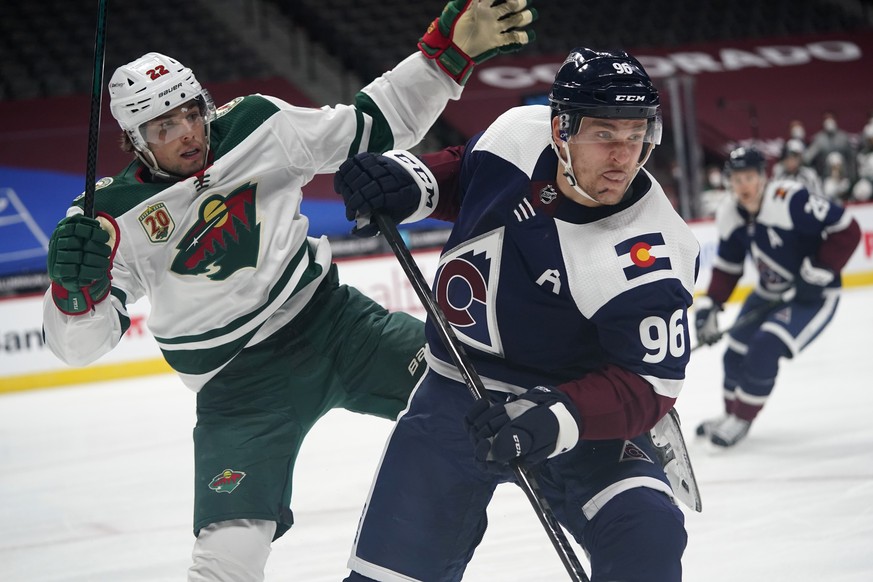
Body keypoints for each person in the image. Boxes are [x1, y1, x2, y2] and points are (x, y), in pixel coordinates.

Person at [41, 2, 537, 580]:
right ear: (134, 141)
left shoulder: (257, 124)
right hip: (238, 386)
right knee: (229, 553)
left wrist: (444, 57)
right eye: (163, 127)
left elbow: (371, 125)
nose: (187, 134)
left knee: (492, 397)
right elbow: (80, 346)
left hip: (339, 328)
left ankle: (616, 467)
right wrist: (76, 291)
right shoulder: (108, 219)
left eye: (191, 113)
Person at [333, 47, 700, 581]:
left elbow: (646, 387)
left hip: (580, 411)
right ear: (560, 129)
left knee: (648, 535)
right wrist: (410, 181)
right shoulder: (517, 133)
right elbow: (469, 175)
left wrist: (555, 418)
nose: (624, 155)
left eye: (635, 134)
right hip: (456, 391)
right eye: (604, 134)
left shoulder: (651, 254)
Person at [694, 146, 861, 447]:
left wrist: (817, 271)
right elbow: (729, 266)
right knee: (734, 352)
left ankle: (742, 419)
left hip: (813, 297)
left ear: (763, 177)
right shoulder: (730, 213)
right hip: (769, 293)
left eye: (749, 177)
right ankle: (729, 413)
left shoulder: (790, 200)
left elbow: (847, 230)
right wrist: (711, 304)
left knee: (765, 347)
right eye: (737, 179)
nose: (743, 185)